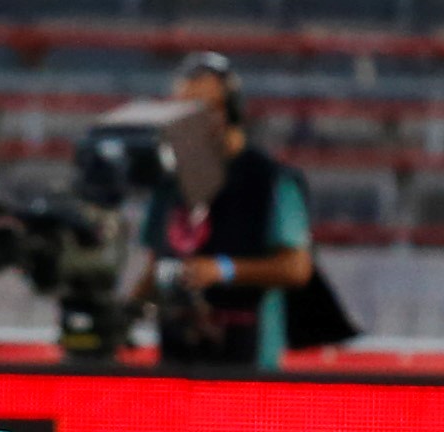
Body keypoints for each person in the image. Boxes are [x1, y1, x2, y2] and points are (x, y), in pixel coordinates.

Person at [128, 51, 315, 370]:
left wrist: (223, 270)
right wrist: (127, 312)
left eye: (200, 109)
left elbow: (296, 268)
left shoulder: (270, 179)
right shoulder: (171, 181)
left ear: (228, 111)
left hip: (247, 356)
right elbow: (155, 262)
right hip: (178, 355)